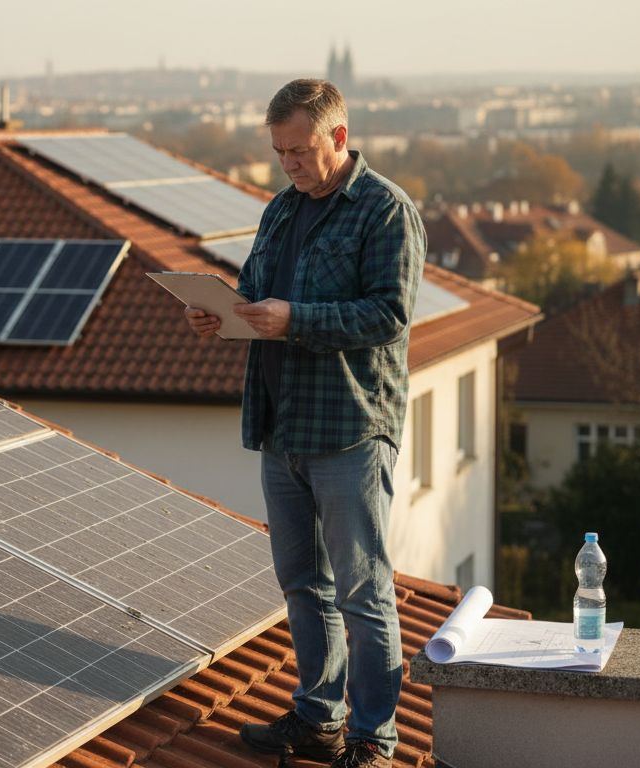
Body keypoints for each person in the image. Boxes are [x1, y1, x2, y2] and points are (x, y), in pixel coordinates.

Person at [185, 79, 425, 768]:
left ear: (339, 138)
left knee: (363, 591)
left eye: (300, 149)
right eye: (279, 152)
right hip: (282, 429)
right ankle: (321, 716)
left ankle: (373, 736)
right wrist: (221, 315)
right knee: (302, 584)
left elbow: (389, 315)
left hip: (350, 430)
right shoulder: (281, 210)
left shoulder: (385, 211)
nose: (289, 164)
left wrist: (297, 319)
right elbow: (260, 297)